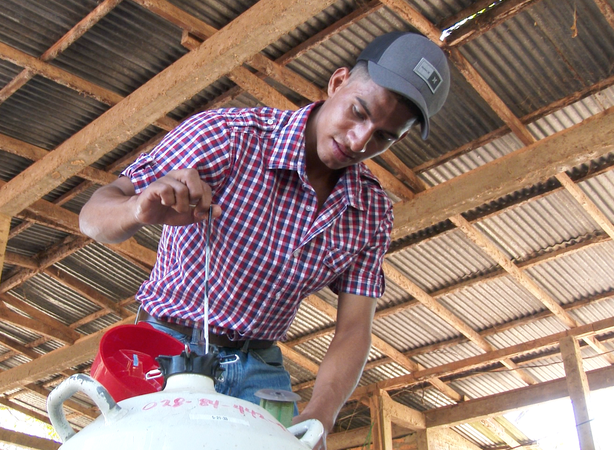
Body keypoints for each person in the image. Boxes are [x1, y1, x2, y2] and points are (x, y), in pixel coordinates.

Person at [79, 31, 450, 448]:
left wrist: (321, 414)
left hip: (261, 370)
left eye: (384, 137)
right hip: (166, 352)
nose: (359, 141)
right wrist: (137, 210)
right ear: (338, 82)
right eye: (358, 112)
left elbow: (353, 331)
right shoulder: (228, 136)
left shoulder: (371, 211)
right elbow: (93, 216)